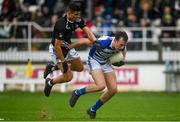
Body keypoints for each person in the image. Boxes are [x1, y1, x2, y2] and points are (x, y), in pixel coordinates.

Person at [68, 31, 128, 119]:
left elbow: (123, 53)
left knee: (113, 89)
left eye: (124, 45)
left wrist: (122, 60)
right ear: (115, 40)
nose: (122, 47)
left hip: (105, 62)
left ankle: (92, 110)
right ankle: (77, 92)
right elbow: (84, 41)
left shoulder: (122, 47)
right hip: (94, 60)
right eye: (121, 44)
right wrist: (67, 49)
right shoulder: (103, 42)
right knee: (101, 86)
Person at [43, 2, 96, 97]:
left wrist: (94, 41)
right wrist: (63, 61)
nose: (78, 16)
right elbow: (57, 46)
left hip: (68, 47)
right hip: (57, 50)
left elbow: (87, 31)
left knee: (80, 68)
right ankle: (50, 82)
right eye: (76, 14)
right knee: (68, 77)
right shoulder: (61, 24)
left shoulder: (78, 19)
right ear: (69, 12)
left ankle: (52, 67)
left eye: (79, 14)